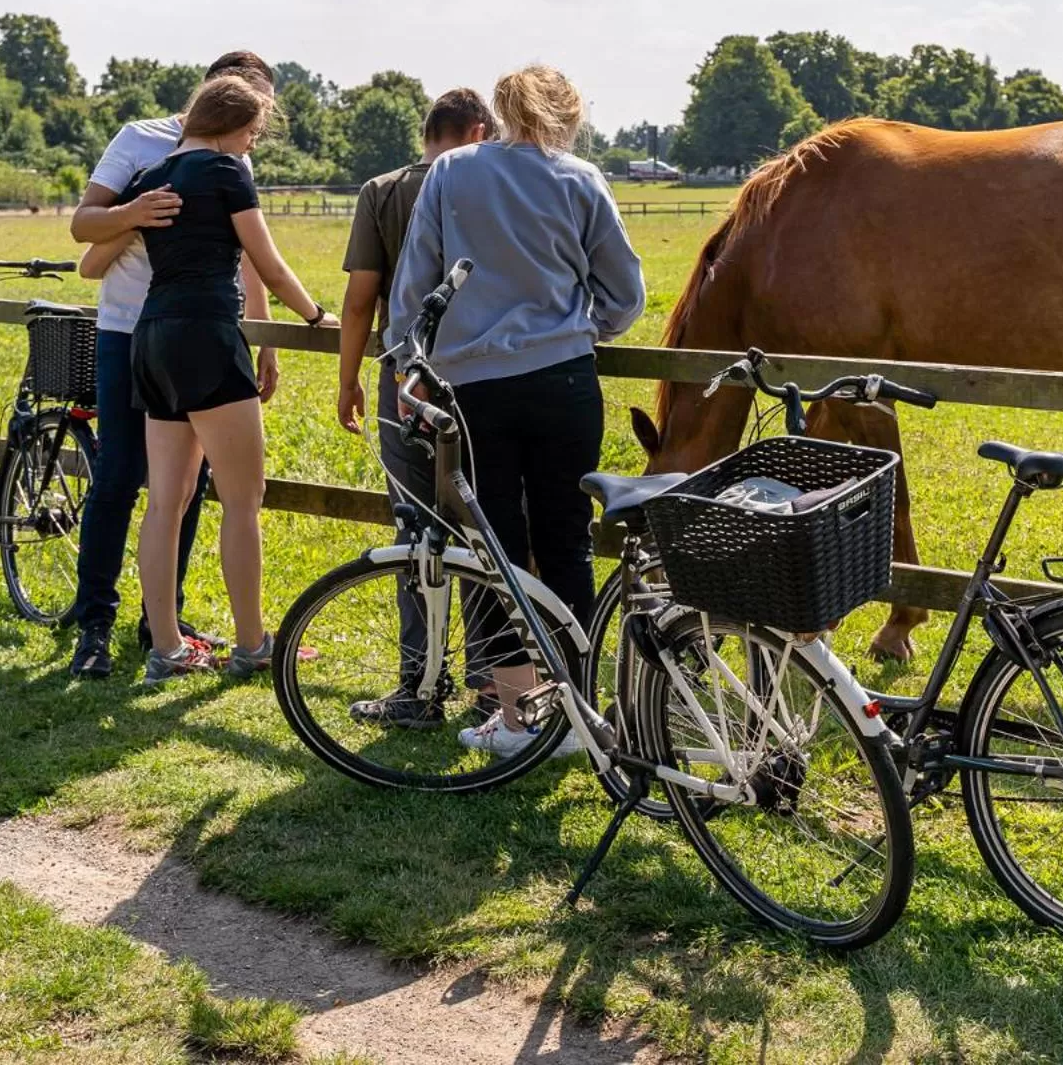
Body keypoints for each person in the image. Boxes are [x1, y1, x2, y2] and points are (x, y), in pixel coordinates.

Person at [385, 65, 646, 755]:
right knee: (567, 541)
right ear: (567, 115)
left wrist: (407, 361)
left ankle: (515, 711)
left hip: (475, 389)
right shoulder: (581, 178)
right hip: (564, 380)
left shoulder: (452, 173)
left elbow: (416, 278)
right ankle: (578, 710)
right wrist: (581, 325)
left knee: (491, 550)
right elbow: (624, 294)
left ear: (500, 112)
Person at [80, 74, 335, 684]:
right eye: (251, 135)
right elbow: (265, 262)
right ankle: (253, 644)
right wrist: (315, 316)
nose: (250, 147)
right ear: (231, 127)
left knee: (166, 501)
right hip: (206, 336)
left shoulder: (147, 181)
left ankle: (165, 647)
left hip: (149, 338)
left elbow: (91, 256)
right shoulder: (227, 172)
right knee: (245, 499)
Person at [337, 88, 499, 728]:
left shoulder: (382, 191)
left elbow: (359, 301)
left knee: (415, 525)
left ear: (428, 131)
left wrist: (347, 379)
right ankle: (493, 683)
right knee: (484, 522)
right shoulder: (491, 183)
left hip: (404, 376)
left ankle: (418, 682)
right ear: (478, 130)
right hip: (485, 374)